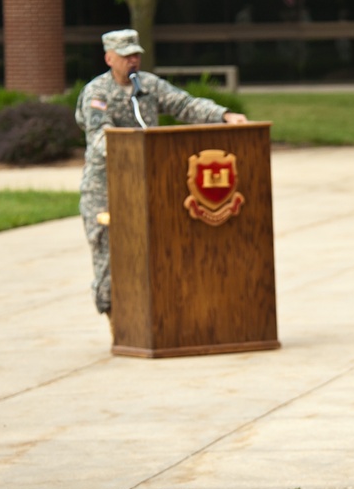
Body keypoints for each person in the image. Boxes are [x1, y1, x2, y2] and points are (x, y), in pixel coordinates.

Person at [75, 29, 248, 319]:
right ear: (109, 58)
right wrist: (136, 148)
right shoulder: (97, 93)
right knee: (111, 256)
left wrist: (224, 115)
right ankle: (118, 321)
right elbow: (99, 136)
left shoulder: (149, 86)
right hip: (106, 189)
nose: (133, 61)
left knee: (155, 253)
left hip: (147, 184)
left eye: (136, 55)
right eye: (126, 56)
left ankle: (157, 319)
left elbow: (185, 104)